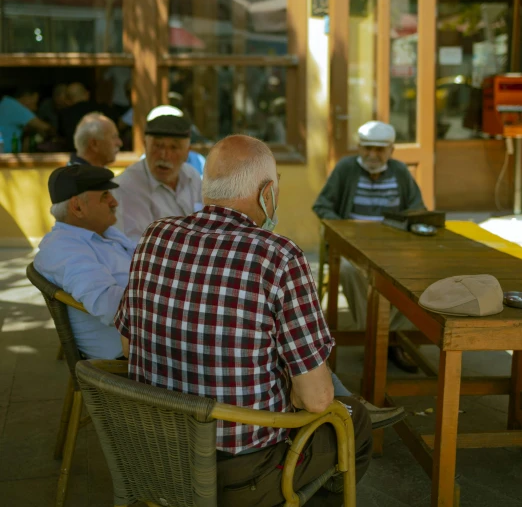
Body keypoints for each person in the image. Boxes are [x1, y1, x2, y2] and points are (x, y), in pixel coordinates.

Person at [115, 136, 399, 506]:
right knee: (353, 420)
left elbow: (127, 345)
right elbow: (316, 399)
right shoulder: (279, 256)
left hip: (154, 459)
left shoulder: (154, 237)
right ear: (267, 193)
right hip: (240, 477)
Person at [313, 120, 425, 373]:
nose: (373, 155)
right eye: (367, 148)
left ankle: (389, 337)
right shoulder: (345, 169)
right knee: (349, 272)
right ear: (359, 147)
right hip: (352, 246)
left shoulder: (399, 172)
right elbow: (322, 206)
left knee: (416, 273)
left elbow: (418, 208)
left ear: (391, 150)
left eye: (379, 149)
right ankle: (375, 335)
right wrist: (348, 226)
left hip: (394, 247)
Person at [34, 165, 136, 359]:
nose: (114, 202)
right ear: (77, 206)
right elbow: (108, 305)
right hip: (127, 357)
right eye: (105, 195)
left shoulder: (103, 232)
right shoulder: (63, 248)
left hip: (144, 336)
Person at [114, 113, 202, 243]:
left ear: (187, 152)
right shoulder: (127, 185)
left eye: (174, 147)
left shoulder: (192, 175)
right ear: (145, 146)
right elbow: (140, 243)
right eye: (158, 146)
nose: (164, 155)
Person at [0, 87, 52, 152]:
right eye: (34, 102)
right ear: (26, 97)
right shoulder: (14, 106)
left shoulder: (6, 103)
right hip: (5, 157)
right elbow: (46, 127)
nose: (35, 108)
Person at [59, 82, 97, 151]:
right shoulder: (104, 109)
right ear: (87, 94)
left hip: (76, 156)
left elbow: (61, 137)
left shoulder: (65, 114)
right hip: (102, 155)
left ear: (68, 101)